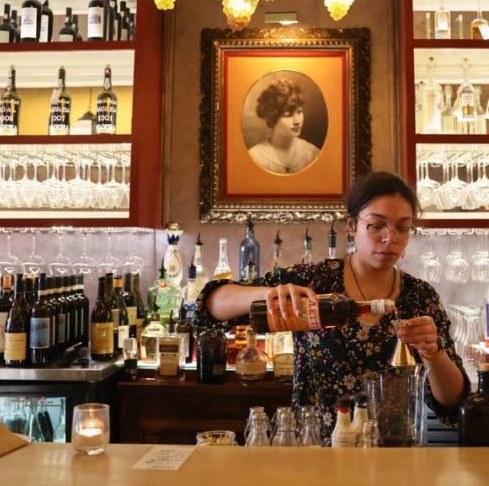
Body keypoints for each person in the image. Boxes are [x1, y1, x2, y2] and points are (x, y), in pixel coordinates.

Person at [197, 171, 469, 433]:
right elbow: (212, 304)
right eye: (376, 225)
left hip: (393, 452)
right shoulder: (315, 282)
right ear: (351, 226)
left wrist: (434, 353)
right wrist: (268, 293)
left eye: (403, 227)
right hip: (318, 451)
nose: (390, 238)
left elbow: (451, 400)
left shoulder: (420, 296)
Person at [246, 77, 321, 174]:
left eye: (299, 112)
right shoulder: (256, 157)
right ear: (272, 118)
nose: (297, 121)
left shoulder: (312, 153)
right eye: (288, 115)